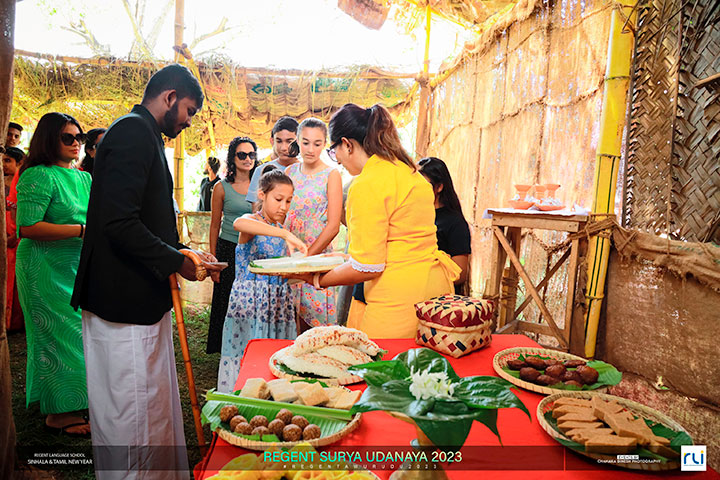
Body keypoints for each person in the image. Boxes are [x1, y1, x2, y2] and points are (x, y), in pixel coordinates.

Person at [71, 64, 222, 479]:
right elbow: (118, 223)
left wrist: (182, 251)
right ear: (170, 97)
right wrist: (175, 261)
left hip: (140, 297)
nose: (188, 122)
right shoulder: (132, 132)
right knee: (133, 417)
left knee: (149, 409)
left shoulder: (144, 133)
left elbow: (145, 218)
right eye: (189, 111)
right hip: (124, 300)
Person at [286, 103, 460, 339]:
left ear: (347, 144)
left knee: (382, 362)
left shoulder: (367, 183)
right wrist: (339, 260)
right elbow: (396, 243)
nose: (338, 160)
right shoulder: (407, 171)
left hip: (398, 299)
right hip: (433, 294)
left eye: (334, 151)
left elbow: (367, 266)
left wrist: (317, 278)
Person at [15, 112, 92, 437]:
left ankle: (74, 400)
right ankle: (60, 414)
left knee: (78, 333)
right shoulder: (37, 175)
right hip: (42, 268)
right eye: (67, 138)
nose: (76, 144)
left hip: (75, 265)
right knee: (59, 335)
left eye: (79, 138)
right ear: (49, 139)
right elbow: (27, 227)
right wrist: (80, 231)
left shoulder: (84, 178)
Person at [217, 167, 306, 391]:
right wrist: (285, 234)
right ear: (261, 195)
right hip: (251, 304)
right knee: (248, 354)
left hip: (277, 305)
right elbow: (238, 223)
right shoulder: (253, 222)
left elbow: (282, 273)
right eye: (278, 199)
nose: (284, 206)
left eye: (288, 201)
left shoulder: (279, 229)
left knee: (275, 357)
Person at [284, 118, 342, 330]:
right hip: (289, 256)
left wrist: (306, 260)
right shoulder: (289, 172)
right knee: (288, 320)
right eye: (305, 142)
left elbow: (334, 226)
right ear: (298, 140)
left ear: (325, 144)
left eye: (317, 144)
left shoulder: (331, 174)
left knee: (314, 327)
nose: (310, 149)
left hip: (316, 257)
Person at [206, 138, 256, 354]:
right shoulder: (221, 187)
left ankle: (250, 347)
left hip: (254, 250)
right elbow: (214, 225)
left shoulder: (262, 185)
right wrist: (213, 262)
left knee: (251, 299)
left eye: (251, 155)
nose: (247, 159)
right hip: (228, 249)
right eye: (242, 155)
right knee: (226, 298)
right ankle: (225, 349)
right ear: (232, 158)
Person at [418, 157, 471, 294]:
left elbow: (460, 274)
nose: (417, 190)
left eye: (423, 185)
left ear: (439, 187)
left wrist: (429, 280)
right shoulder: (413, 216)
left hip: (439, 298)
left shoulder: (455, 223)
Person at [246, 116, 299, 204]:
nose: (283, 148)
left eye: (289, 141)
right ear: (272, 141)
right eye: (279, 141)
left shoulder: (307, 171)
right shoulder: (261, 170)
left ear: (299, 141)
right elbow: (256, 208)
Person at [3, 146, 24, 332]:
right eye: (2, 160)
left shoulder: (22, 182)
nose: (4, 165)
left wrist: (15, 234)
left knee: (14, 282)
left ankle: (12, 322)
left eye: (8, 161)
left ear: (19, 163)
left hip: (15, 237)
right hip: (6, 235)